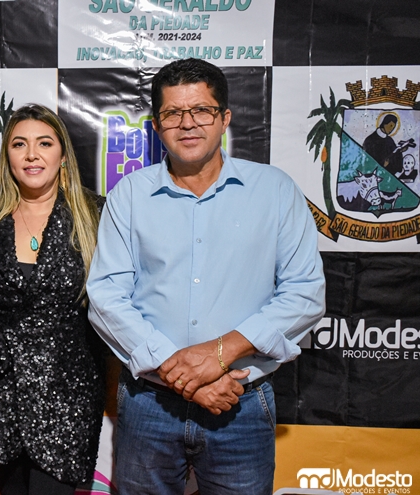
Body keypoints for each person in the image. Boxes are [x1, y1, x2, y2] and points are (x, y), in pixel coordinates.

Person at [86, 58, 326, 495]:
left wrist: (220, 353)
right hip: (149, 403)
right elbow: (106, 297)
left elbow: (305, 294)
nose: (187, 123)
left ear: (224, 118)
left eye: (201, 110)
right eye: (173, 113)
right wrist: (183, 376)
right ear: (156, 126)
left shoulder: (275, 190)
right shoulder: (130, 195)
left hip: (241, 403)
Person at [0, 104, 105, 495]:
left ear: (63, 155)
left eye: (44, 143)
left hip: (67, 396)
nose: (31, 155)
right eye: (19, 144)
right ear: (6, 155)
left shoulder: (97, 216)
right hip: (0, 391)